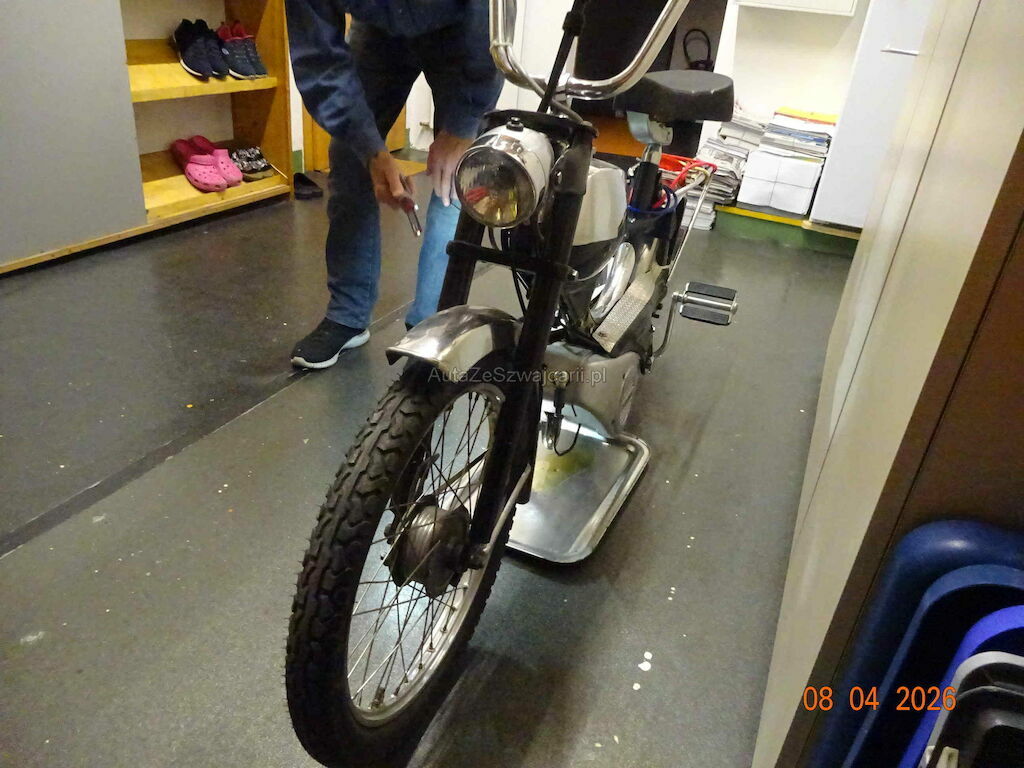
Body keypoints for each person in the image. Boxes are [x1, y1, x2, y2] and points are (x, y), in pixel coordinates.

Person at [285, 0, 503, 369]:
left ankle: (431, 328)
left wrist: (463, 124)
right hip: (379, 29)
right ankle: (348, 315)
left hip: (463, 27)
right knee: (349, 156)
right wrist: (372, 152)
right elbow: (320, 60)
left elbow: (489, 27)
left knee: (455, 172)